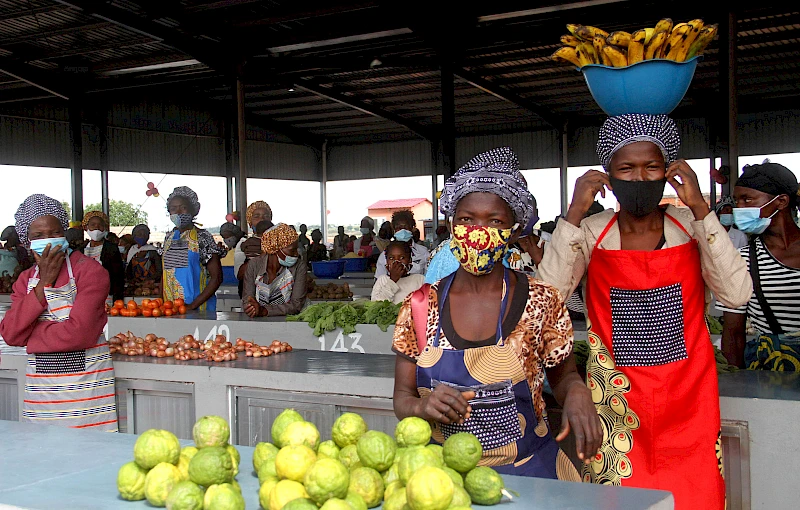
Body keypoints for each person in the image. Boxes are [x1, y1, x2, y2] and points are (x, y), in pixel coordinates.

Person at [538, 114, 752, 509]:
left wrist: (701, 207)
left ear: (669, 171)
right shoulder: (590, 231)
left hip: (688, 399)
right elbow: (548, 295)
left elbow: (737, 293)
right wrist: (573, 213)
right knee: (618, 502)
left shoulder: (690, 225)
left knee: (695, 497)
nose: (639, 178)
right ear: (608, 176)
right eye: (626, 168)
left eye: (651, 167)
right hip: (616, 405)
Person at [392, 147, 600, 479]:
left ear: (514, 229)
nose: (478, 231)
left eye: (495, 221)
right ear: (451, 224)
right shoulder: (419, 306)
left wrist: (577, 394)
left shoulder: (541, 300)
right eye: (466, 219)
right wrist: (421, 407)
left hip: (530, 472)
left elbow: (565, 379)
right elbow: (402, 397)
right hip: (443, 479)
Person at [0, 195, 117, 431]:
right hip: (41, 396)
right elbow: (11, 335)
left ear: (64, 234)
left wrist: (32, 333)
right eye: (38, 236)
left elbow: (80, 335)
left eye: (54, 233)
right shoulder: (26, 280)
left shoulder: (90, 272)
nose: (48, 241)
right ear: (26, 240)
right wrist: (44, 284)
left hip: (86, 397)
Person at [719, 161, 800, 370]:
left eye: (748, 199)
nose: (739, 208)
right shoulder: (742, 260)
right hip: (771, 373)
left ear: (781, 201)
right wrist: (736, 383)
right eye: (737, 201)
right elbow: (733, 333)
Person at [163, 187, 226, 312]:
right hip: (170, 309)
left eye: (183, 207)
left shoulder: (202, 237)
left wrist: (193, 305)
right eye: (173, 208)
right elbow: (166, 273)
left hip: (199, 309)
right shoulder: (169, 238)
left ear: (193, 210)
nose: (178, 212)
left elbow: (217, 277)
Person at [242, 223, 308, 317]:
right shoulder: (254, 265)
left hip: (289, 322)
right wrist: (251, 308)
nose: (296, 254)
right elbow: (247, 298)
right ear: (275, 249)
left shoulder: (299, 266)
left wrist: (264, 311)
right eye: (292, 250)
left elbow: (296, 304)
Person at [81, 211, 124, 302]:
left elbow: (118, 276)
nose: (97, 228)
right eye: (93, 225)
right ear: (86, 227)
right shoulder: (81, 250)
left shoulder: (111, 249)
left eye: (100, 225)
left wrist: (117, 299)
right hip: (83, 295)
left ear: (105, 228)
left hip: (106, 295)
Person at [235, 201, 273, 298]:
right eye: (256, 216)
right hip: (251, 296)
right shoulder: (244, 244)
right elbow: (239, 275)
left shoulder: (281, 243)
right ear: (250, 223)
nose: (262, 219)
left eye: (266, 216)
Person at [376, 210, 429, 278]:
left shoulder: (423, 252)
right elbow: (379, 282)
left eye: (406, 227)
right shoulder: (385, 254)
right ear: (394, 229)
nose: (402, 230)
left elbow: (429, 279)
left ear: (412, 228)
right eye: (399, 228)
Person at [125, 224, 161, 294]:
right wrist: (132, 280)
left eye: (145, 234)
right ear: (134, 236)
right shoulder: (131, 250)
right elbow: (128, 269)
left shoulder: (153, 251)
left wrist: (150, 280)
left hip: (150, 285)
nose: (143, 236)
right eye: (140, 234)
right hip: (136, 285)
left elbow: (159, 270)